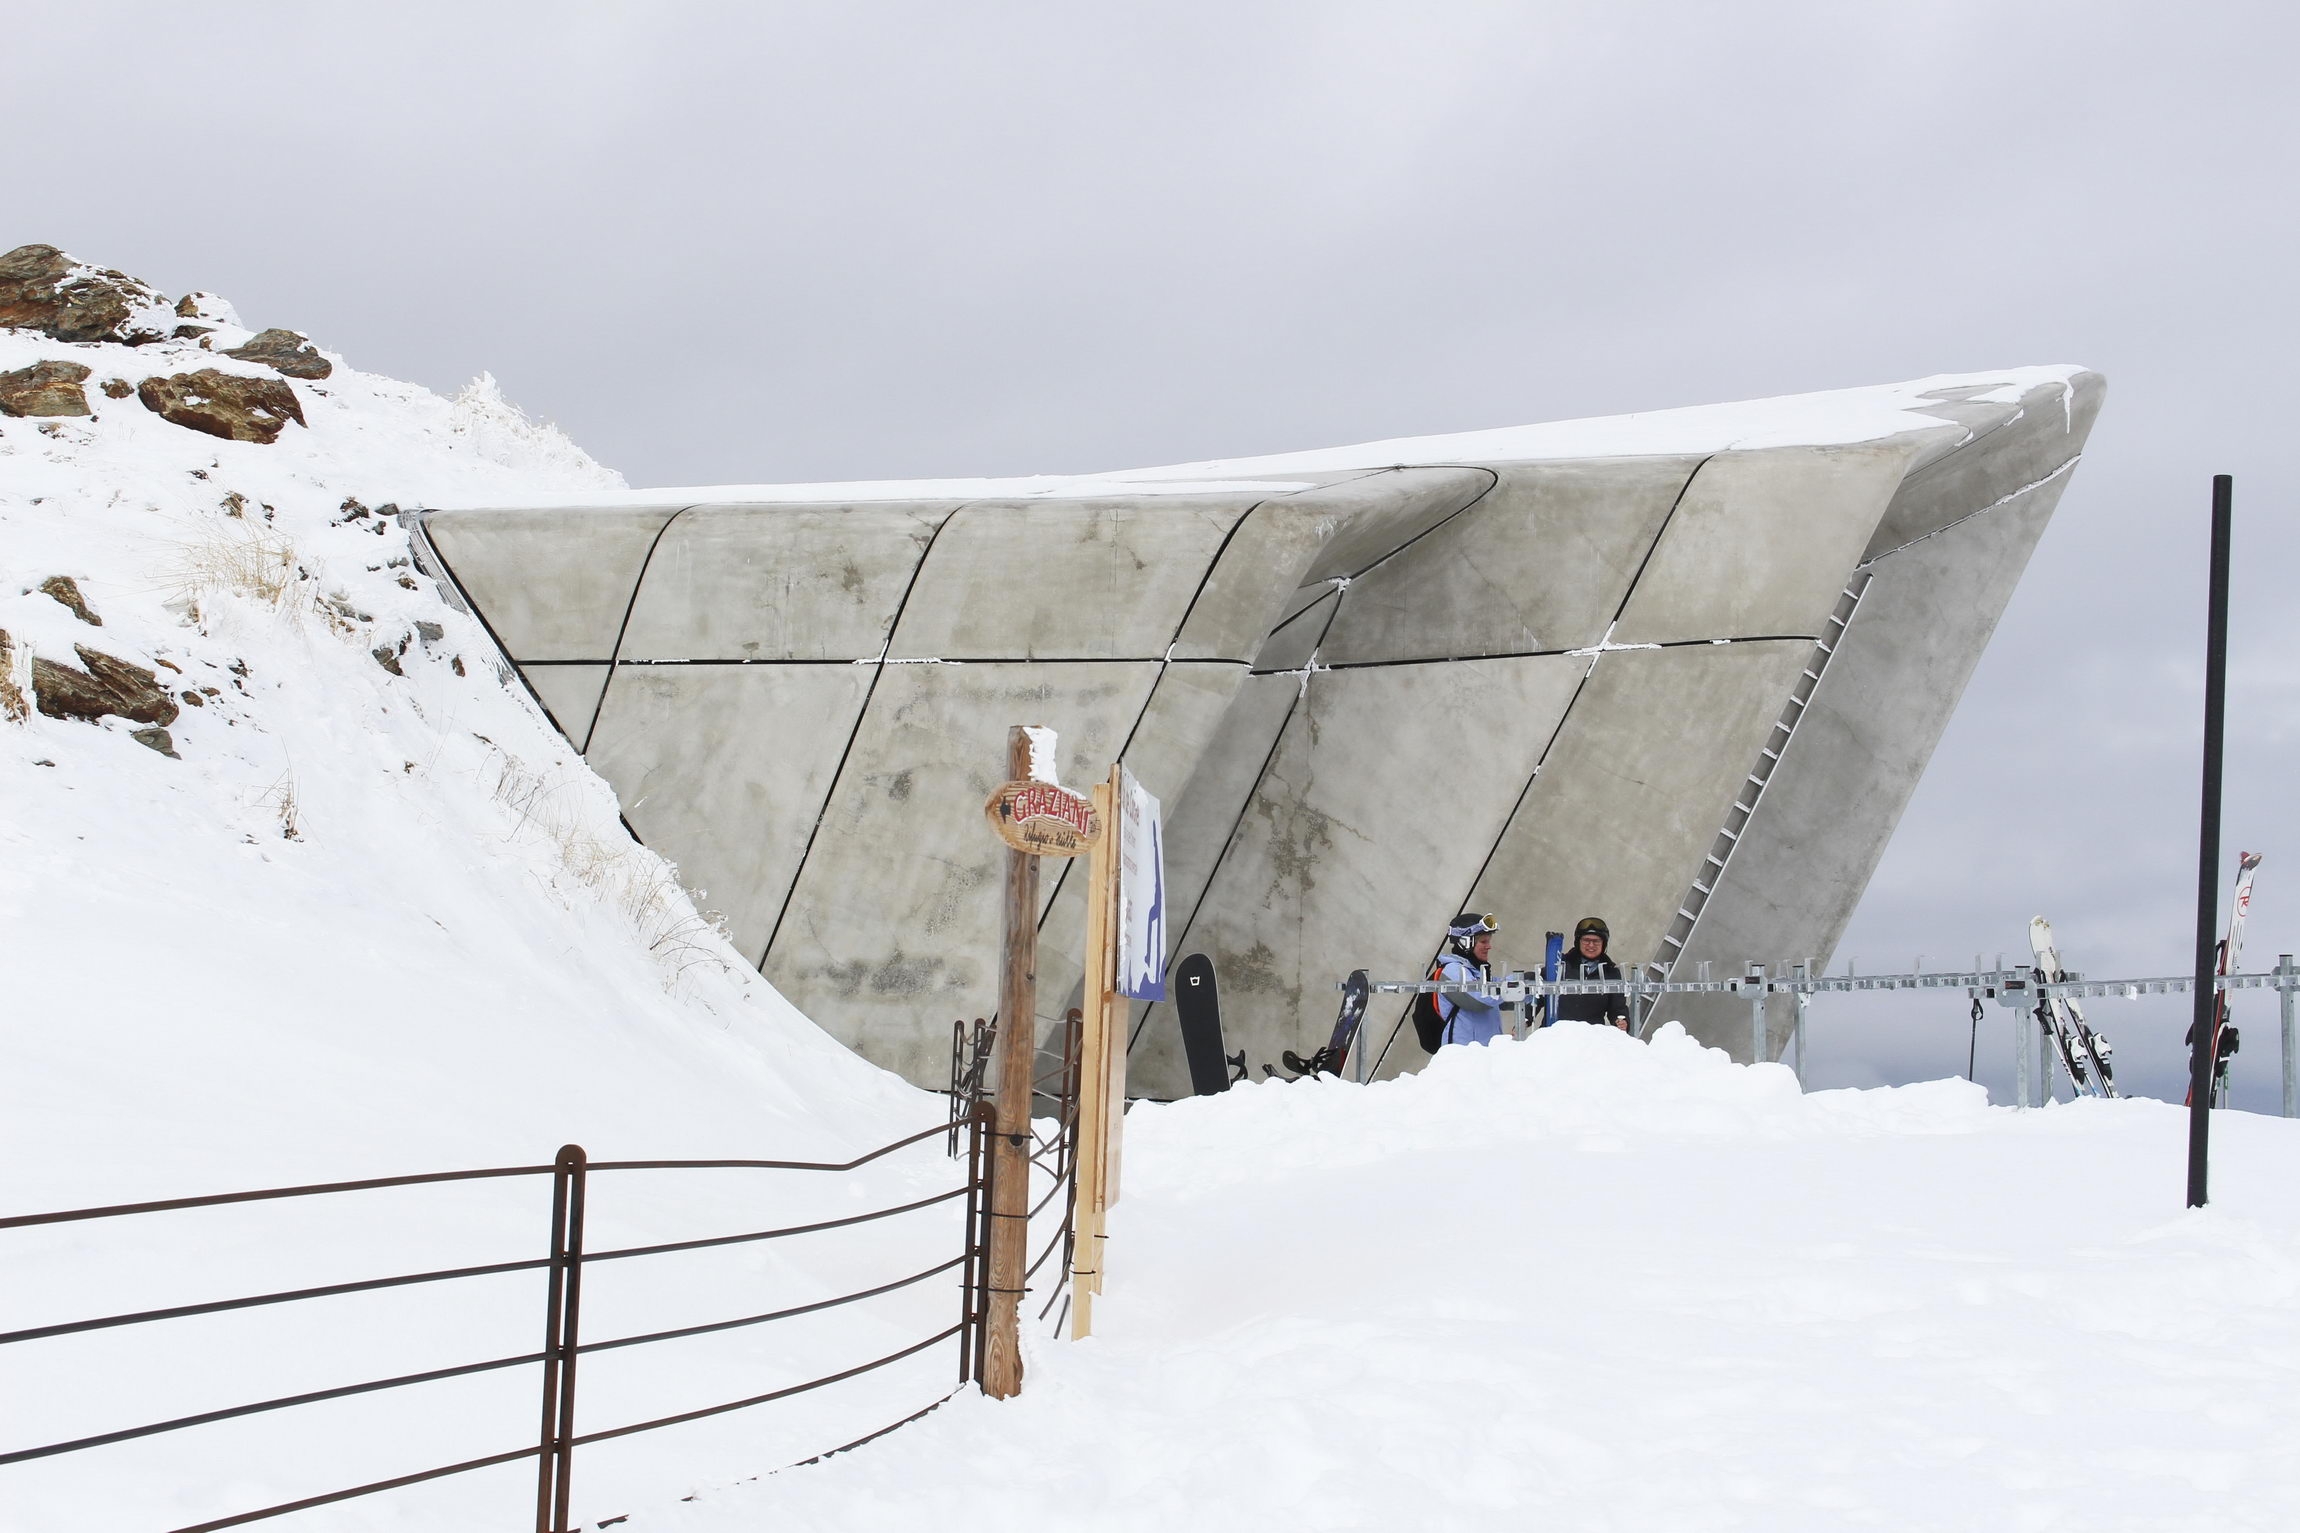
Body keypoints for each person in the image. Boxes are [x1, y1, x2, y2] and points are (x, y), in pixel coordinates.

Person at [1434, 912, 1505, 1046]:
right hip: (1463, 1055)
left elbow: (1503, 998)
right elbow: (1479, 1000)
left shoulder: (1476, 973)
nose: (1489, 946)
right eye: (1483, 942)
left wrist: (1526, 980)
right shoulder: (1453, 971)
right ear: (1466, 943)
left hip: (1486, 1054)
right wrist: (1512, 987)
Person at [1554, 916, 1630, 1030]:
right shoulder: (1560, 965)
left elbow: (1617, 1007)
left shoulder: (1611, 972)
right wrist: (1526, 1019)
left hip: (1592, 1038)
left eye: (1596, 941)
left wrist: (1621, 1021)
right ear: (1578, 942)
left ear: (1604, 944)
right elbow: (1535, 993)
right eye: (1586, 940)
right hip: (1556, 1035)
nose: (1591, 945)